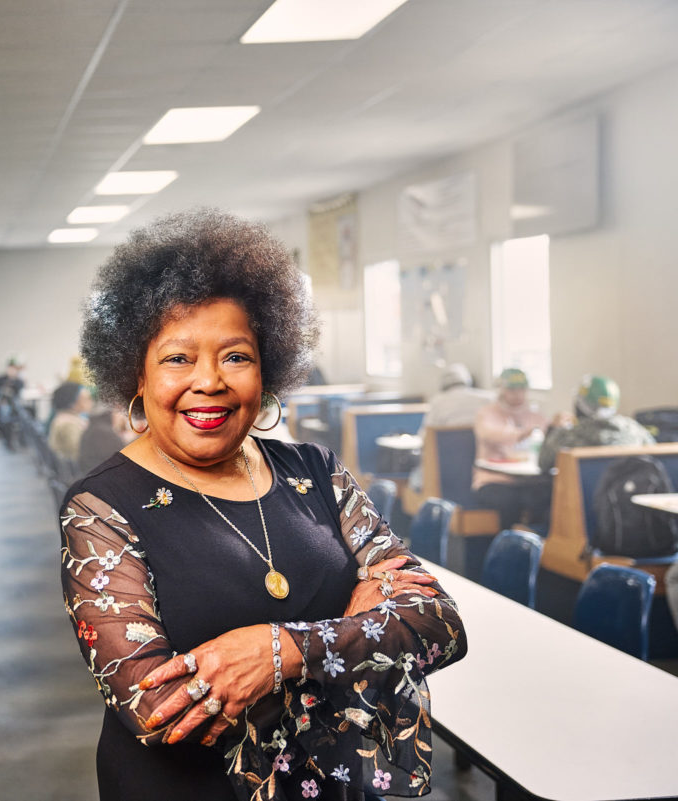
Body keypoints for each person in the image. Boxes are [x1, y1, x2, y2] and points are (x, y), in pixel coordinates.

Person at [60, 210, 466, 801]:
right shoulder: (99, 508)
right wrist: (357, 631)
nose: (210, 381)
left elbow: (438, 623)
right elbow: (160, 710)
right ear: (136, 375)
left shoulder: (317, 471)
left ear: (267, 367)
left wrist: (278, 653)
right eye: (177, 358)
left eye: (236, 356)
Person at [471, 368, 549, 529]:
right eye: (512, 390)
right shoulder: (486, 414)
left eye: (522, 389)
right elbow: (489, 434)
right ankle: (508, 541)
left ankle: (535, 538)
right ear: (502, 390)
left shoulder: (536, 416)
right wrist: (522, 434)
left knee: (547, 494)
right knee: (509, 500)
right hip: (493, 480)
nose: (517, 394)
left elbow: (547, 437)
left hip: (529, 480)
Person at [538, 375, 655, 473]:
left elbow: (543, 462)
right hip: (629, 492)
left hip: (582, 494)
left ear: (580, 405)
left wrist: (553, 429)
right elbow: (655, 457)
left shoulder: (566, 437)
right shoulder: (634, 430)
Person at [408, 363, 494, 491]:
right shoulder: (488, 398)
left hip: (445, 471)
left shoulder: (437, 401)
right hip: (483, 469)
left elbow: (425, 437)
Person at [48, 381, 92, 463]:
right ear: (73, 403)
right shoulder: (69, 425)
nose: (91, 402)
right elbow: (78, 454)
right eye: (86, 399)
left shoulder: (64, 416)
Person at [0, 356, 25, 449]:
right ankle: (8, 440)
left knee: (24, 414)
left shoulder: (18, 381)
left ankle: (21, 441)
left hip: (14, 406)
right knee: (4, 413)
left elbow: (20, 391)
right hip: (0, 406)